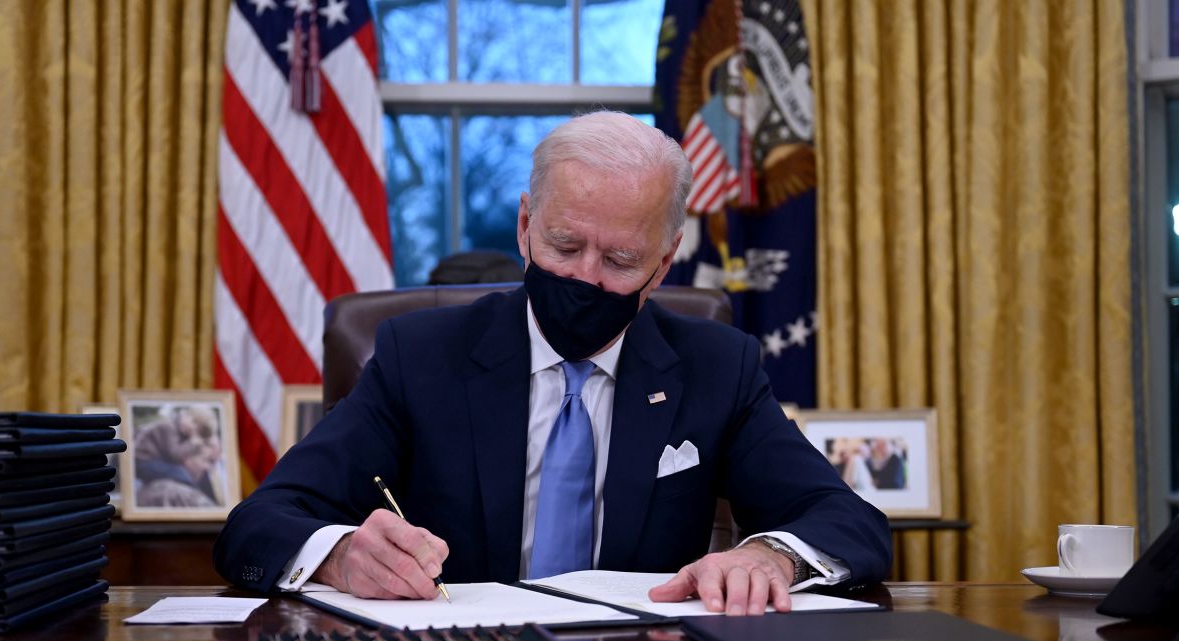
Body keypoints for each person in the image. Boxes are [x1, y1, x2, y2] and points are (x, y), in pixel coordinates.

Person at [214, 112, 892, 615]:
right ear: (524, 227)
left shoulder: (719, 366)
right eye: (565, 246)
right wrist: (338, 557)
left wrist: (767, 555)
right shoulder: (417, 356)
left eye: (620, 260)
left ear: (663, 263)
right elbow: (263, 519)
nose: (586, 277)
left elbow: (846, 520)